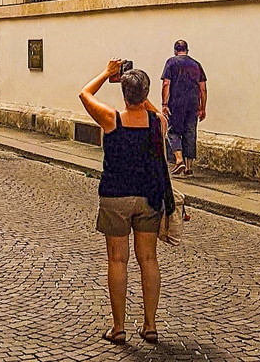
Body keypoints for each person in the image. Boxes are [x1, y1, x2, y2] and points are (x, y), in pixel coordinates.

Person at [80, 60, 172, 346]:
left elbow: (85, 94)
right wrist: (143, 96)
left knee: (117, 260)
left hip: (116, 196)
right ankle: (150, 325)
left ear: (124, 93)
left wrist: (108, 73)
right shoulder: (158, 122)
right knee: (149, 260)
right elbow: (153, 111)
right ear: (146, 94)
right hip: (148, 198)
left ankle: (118, 328)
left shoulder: (111, 120)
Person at [161, 39, 207, 178]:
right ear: (187, 50)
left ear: (175, 50)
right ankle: (188, 168)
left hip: (176, 103)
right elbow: (203, 89)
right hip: (193, 104)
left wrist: (164, 104)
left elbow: (166, 84)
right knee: (190, 133)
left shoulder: (171, 62)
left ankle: (179, 159)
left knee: (173, 131)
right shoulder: (196, 65)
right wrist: (203, 108)